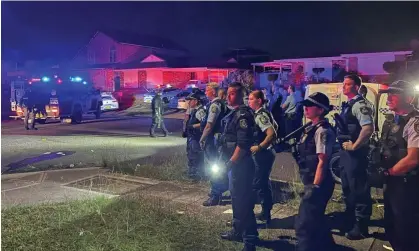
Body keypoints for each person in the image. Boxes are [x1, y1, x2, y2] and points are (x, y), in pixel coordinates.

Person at [378, 80, 419, 251]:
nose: (389, 97)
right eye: (389, 93)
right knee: (391, 221)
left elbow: (413, 159)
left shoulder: (414, 122)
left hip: (406, 183)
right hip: (392, 181)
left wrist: (388, 172)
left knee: (405, 224)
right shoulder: (391, 121)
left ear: (408, 98)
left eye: (395, 94)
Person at [294, 92, 337, 251]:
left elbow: (323, 161)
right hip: (311, 179)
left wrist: (315, 187)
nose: (305, 108)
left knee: (304, 222)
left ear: (320, 110)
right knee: (316, 218)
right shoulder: (312, 127)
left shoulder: (322, 131)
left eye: (309, 106)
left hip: (318, 182)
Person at [219, 82, 259, 251]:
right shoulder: (233, 114)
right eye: (228, 93)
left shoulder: (243, 115)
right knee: (236, 199)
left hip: (240, 165)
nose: (228, 96)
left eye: (233, 93)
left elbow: (242, 144)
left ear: (241, 95)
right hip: (234, 165)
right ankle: (237, 231)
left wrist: (230, 163)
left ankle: (250, 240)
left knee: (243, 201)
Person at [338, 74, 373, 240]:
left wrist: (354, 146)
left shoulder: (360, 105)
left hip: (356, 154)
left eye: (348, 84)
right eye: (343, 84)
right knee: (347, 188)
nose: (344, 86)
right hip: (346, 154)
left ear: (357, 86)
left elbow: (367, 128)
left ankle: (362, 226)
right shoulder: (349, 104)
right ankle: (350, 220)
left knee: (359, 189)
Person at [248, 90, 278, 223]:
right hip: (266, 153)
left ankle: (262, 213)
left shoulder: (260, 115)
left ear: (259, 100)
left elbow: (271, 133)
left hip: (262, 154)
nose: (248, 101)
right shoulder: (265, 112)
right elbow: (275, 126)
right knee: (263, 183)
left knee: (258, 184)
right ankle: (266, 212)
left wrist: (259, 147)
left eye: (251, 99)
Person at [200, 82, 229, 206]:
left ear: (213, 91)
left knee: (214, 167)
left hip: (214, 141)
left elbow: (209, 125)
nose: (205, 92)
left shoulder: (214, 106)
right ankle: (218, 190)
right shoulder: (220, 104)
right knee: (218, 166)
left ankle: (215, 195)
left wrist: (202, 138)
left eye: (207, 90)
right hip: (219, 140)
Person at [184, 93, 207, 181]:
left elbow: (204, 123)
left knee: (196, 157)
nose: (188, 102)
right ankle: (192, 174)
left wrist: (193, 126)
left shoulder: (200, 111)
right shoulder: (193, 110)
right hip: (191, 137)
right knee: (191, 156)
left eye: (190, 100)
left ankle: (197, 176)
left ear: (196, 101)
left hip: (196, 138)